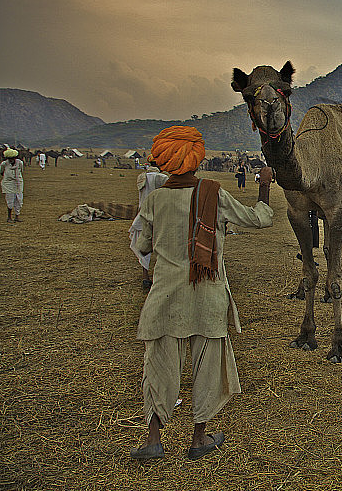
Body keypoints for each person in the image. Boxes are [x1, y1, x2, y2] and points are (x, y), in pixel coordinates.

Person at [129, 126, 273, 461]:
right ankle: (199, 439)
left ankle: (153, 440)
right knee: (207, 368)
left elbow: (144, 245)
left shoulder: (155, 199)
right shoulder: (214, 194)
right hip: (207, 296)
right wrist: (264, 184)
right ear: (197, 159)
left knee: (159, 368)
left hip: (164, 299)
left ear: (165, 163)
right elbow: (258, 219)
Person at [129, 166, 168, 290]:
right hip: (159, 214)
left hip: (144, 214)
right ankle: (160, 277)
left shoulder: (142, 177)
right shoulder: (162, 178)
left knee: (144, 245)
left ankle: (145, 276)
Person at [1, 148, 24, 222]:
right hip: (8, 184)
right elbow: (1, 172)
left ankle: (17, 216)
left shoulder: (20, 163)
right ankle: (9, 217)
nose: (11, 160)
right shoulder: (4, 164)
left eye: (12, 158)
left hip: (18, 183)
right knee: (10, 200)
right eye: (9, 158)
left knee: (19, 200)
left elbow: (21, 170)